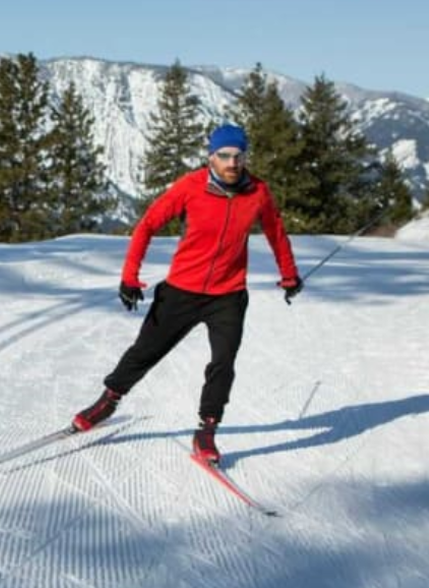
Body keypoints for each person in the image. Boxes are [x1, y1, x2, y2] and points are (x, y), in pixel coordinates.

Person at [71, 123, 302, 467]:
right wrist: (129, 277)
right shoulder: (190, 187)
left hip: (228, 294)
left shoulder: (257, 192)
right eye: (224, 155)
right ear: (211, 157)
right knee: (144, 352)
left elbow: (276, 231)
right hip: (181, 290)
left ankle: (207, 429)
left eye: (239, 156)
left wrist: (289, 274)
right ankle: (109, 400)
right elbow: (147, 224)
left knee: (223, 363)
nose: (232, 163)